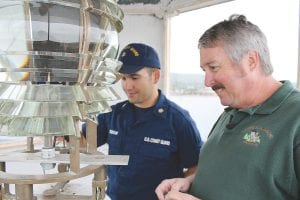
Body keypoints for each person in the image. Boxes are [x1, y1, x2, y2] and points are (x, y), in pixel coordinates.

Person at [155, 14, 300, 200]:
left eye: (214, 68)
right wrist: (190, 181)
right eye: (204, 70)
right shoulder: (232, 111)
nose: (207, 82)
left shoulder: (295, 118)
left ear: (251, 61)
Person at [81, 43, 203, 200]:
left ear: (155, 76)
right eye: (123, 78)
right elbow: (84, 142)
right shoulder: (113, 114)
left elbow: (196, 167)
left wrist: (180, 188)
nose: (127, 86)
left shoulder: (179, 120)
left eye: (134, 77)